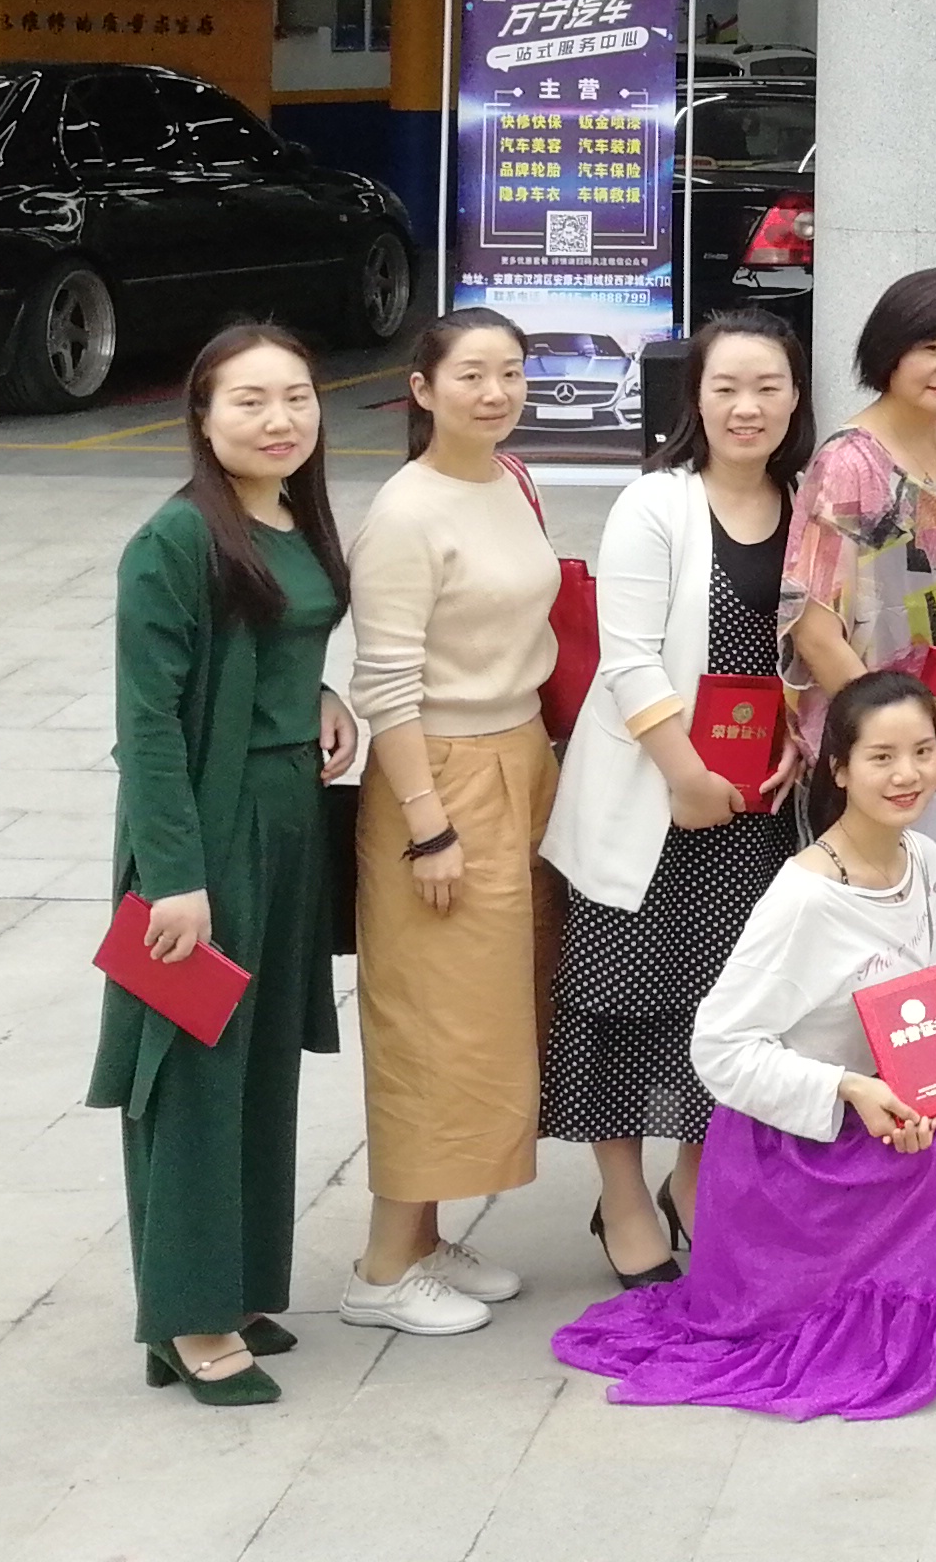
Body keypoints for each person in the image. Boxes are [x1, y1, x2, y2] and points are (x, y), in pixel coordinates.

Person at [550, 672, 936, 1419]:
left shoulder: (921, 859)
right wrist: (847, 1089)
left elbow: (921, 1004)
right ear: (838, 769)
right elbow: (720, 1047)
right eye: (881, 757)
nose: (906, 774)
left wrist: (922, 1095)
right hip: (795, 1155)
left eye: (922, 752)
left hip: (882, 1120)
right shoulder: (804, 896)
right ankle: (886, 1312)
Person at [97, 321, 361, 1404]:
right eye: (249, 401)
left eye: (296, 396)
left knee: (257, 1064)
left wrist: (321, 693)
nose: (279, 419)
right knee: (193, 1068)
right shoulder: (174, 540)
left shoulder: (293, 513)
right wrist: (174, 878)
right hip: (208, 827)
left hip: (291, 816)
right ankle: (188, 1317)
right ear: (202, 417)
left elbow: (277, 640)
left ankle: (238, 1285)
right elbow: (148, 723)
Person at [538, 313, 819, 1291]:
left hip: (754, 809)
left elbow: (807, 647)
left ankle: (695, 1182)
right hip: (653, 799)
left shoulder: (803, 505)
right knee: (622, 1000)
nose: (747, 407)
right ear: (694, 397)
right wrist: (683, 773)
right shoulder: (656, 502)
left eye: (768, 387)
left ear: (796, 396)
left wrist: (799, 738)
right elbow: (627, 659)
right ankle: (621, 1199)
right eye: (726, 387)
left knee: (727, 1003)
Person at [339, 306, 561, 1337]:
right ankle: (383, 1268)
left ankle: (425, 1238)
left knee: (493, 1013)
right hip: (440, 778)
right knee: (433, 1018)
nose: (494, 392)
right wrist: (427, 827)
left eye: (510, 372)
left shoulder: (510, 479)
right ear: (422, 391)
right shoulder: (405, 512)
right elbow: (384, 681)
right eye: (470, 374)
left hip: (522, 757)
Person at [785, 268, 936, 835]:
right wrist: (905, 744)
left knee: (925, 884)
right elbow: (814, 632)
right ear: (890, 348)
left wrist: (934, 742)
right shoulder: (850, 463)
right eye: (932, 348)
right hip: (874, 753)